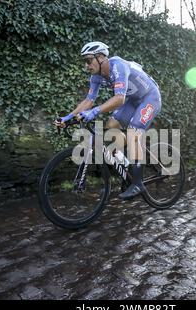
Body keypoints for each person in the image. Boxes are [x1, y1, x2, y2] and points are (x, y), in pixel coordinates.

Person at [55, 41, 161, 200]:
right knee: (110, 128)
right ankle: (126, 165)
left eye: (88, 60)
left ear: (101, 57)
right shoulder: (95, 77)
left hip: (149, 98)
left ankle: (138, 183)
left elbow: (119, 99)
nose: (86, 65)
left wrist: (94, 112)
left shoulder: (118, 66)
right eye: (85, 61)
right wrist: (67, 118)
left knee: (133, 131)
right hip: (132, 100)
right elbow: (88, 101)